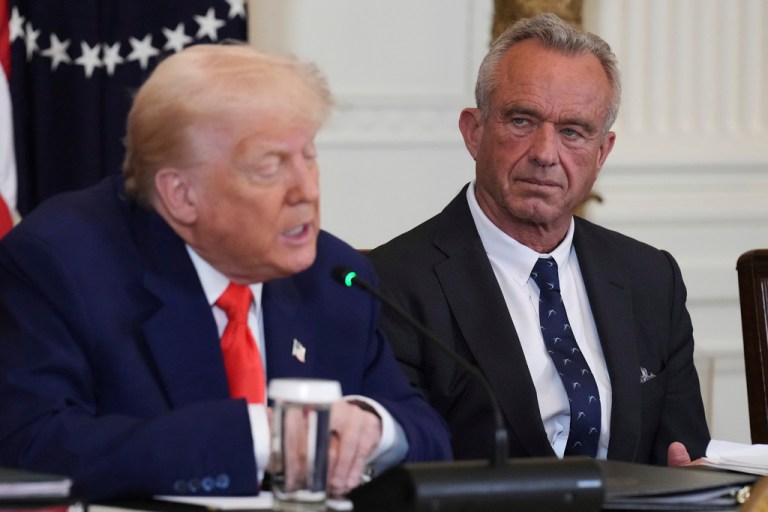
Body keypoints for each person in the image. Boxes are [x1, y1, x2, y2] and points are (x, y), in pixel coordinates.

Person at [0, 44, 451, 501]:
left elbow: (430, 438)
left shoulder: (335, 276)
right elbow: (31, 445)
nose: (307, 190)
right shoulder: (62, 263)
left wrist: (373, 427)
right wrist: (260, 436)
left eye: (309, 156)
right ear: (181, 195)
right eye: (269, 167)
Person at [368, 13, 710, 466]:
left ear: (602, 152)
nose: (545, 154)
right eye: (522, 120)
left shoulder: (651, 278)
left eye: (572, 131)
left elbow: (685, 454)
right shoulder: (392, 286)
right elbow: (404, 471)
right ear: (474, 132)